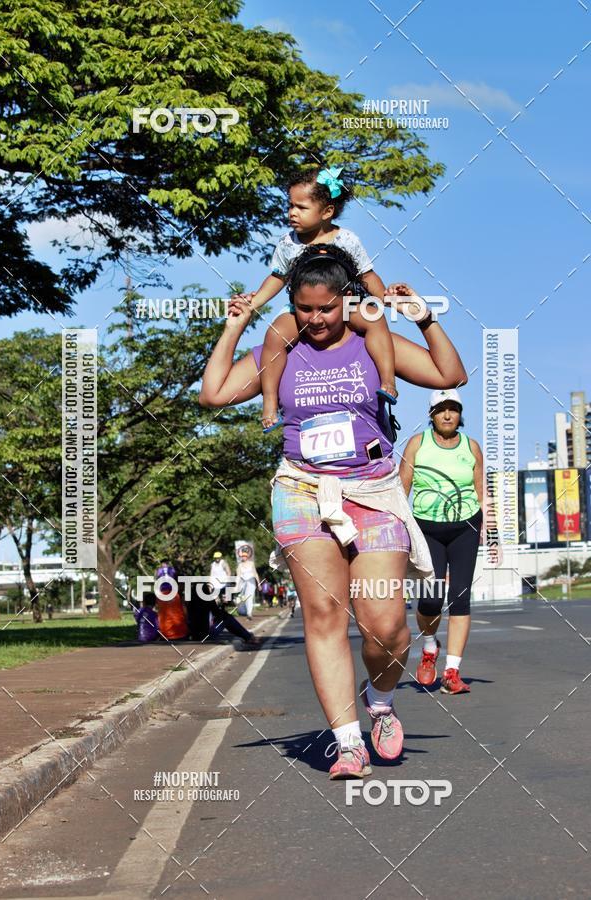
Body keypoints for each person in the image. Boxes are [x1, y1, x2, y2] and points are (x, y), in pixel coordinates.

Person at [200, 244, 469, 778]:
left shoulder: (374, 343)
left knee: (387, 627)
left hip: (371, 491)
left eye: (326, 308)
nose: (315, 320)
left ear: (346, 302)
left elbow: (450, 375)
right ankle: (349, 743)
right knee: (324, 614)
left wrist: (425, 317)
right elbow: (214, 394)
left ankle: (382, 699)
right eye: (304, 309)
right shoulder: (281, 348)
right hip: (302, 489)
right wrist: (234, 326)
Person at [249, 166, 397, 430]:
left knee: (375, 319)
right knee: (274, 335)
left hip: (346, 304)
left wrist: (385, 298)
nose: (292, 213)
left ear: (327, 211)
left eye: (301, 207)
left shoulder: (347, 239)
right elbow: (277, 278)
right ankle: (270, 402)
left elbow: (367, 275)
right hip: (303, 308)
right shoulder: (287, 243)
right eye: (290, 205)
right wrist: (254, 303)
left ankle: (388, 382)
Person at [399, 389, 486, 694]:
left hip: (465, 528)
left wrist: (490, 530)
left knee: (460, 599)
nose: (448, 415)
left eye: (453, 409)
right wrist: (399, 531)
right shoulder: (417, 444)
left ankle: (451, 673)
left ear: (460, 414)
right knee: (431, 600)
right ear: (432, 415)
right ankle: (429, 645)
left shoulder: (471, 447)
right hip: (427, 530)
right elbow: (402, 491)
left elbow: (480, 491)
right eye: (441, 409)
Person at [235, 543, 260, 620]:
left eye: (245, 556)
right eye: (242, 556)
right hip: (243, 583)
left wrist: (259, 584)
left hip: (251, 582)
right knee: (242, 598)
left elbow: (255, 574)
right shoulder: (239, 565)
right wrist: (236, 585)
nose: (244, 557)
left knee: (249, 597)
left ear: (247, 557)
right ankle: (243, 611)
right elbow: (238, 576)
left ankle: (249, 613)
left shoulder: (251, 564)